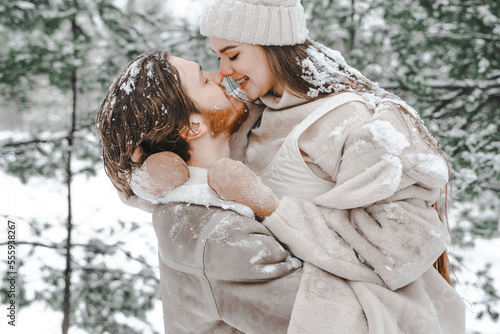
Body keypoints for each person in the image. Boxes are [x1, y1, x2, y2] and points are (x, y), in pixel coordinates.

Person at [198, 0, 467, 333]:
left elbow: (402, 245)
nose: (224, 70)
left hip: (366, 318)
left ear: (272, 45)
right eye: (218, 57)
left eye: (233, 54)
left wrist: (270, 207)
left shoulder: (349, 120)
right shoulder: (252, 117)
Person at [95, 50, 302, 333]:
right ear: (192, 127)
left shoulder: (186, 210)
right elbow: (340, 321)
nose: (220, 75)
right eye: (204, 80)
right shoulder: (219, 233)